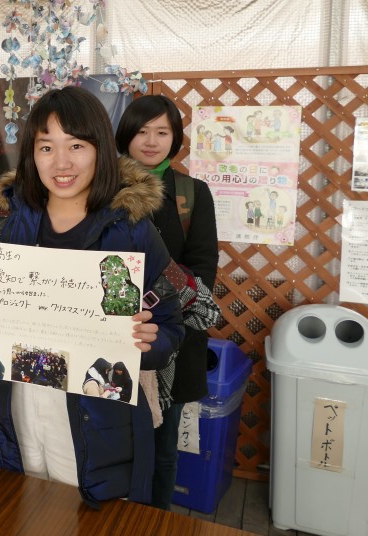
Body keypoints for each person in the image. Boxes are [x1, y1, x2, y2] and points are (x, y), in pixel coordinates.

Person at [0, 86, 183, 508]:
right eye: (46, 146)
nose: (62, 162)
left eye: (77, 145)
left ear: (100, 150)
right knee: (15, 513)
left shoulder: (130, 229)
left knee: (82, 518)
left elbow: (172, 326)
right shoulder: (4, 222)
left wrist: (150, 340)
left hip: (94, 422)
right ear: (32, 153)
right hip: (11, 412)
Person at [115, 94, 221, 510]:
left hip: (172, 345)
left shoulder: (192, 193)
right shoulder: (102, 186)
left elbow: (203, 268)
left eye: (162, 132)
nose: (151, 141)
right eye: (142, 131)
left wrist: (159, 305)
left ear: (176, 138)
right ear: (126, 135)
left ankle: (155, 520)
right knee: (110, 438)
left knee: (162, 447)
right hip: (111, 336)